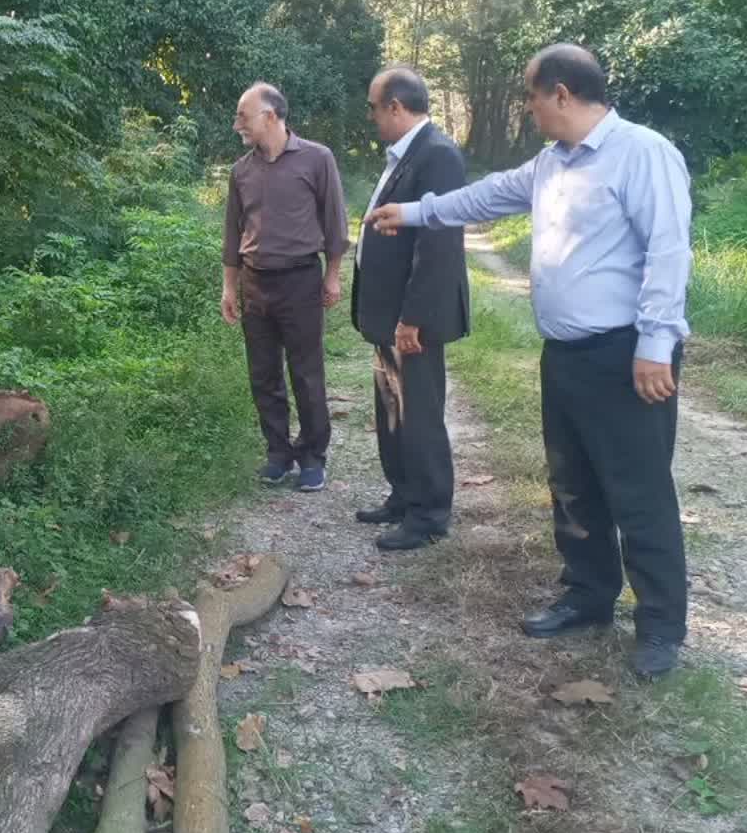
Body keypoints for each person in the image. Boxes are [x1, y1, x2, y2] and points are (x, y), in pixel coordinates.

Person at [363, 45, 692, 678]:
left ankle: (659, 626)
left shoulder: (642, 153)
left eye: (532, 96)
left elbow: (668, 251)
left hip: (626, 354)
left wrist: (656, 344)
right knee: (572, 484)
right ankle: (588, 595)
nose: (528, 108)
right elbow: (485, 197)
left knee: (638, 490)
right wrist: (415, 211)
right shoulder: (551, 163)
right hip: (564, 354)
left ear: (561, 93)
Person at [350, 67, 470, 552]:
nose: (372, 117)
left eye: (374, 108)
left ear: (396, 107)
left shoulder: (437, 155)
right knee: (392, 409)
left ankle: (429, 514)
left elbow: (438, 245)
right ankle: (403, 495)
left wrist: (413, 317)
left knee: (418, 414)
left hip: (412, 318)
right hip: (389, 314)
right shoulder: (405, 154)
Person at [221, 82, 349, 493]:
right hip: (255, 282)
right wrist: (229, 288)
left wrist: (333, 274)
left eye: (243, 116)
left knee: (306, 373)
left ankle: (312, 457)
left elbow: (334, 222)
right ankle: (278, 454)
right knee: (263, 374)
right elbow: (232, 233)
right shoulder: (241, 171)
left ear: (270, 116)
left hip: (300, 280)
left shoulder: (317, 158)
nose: (237, 124)